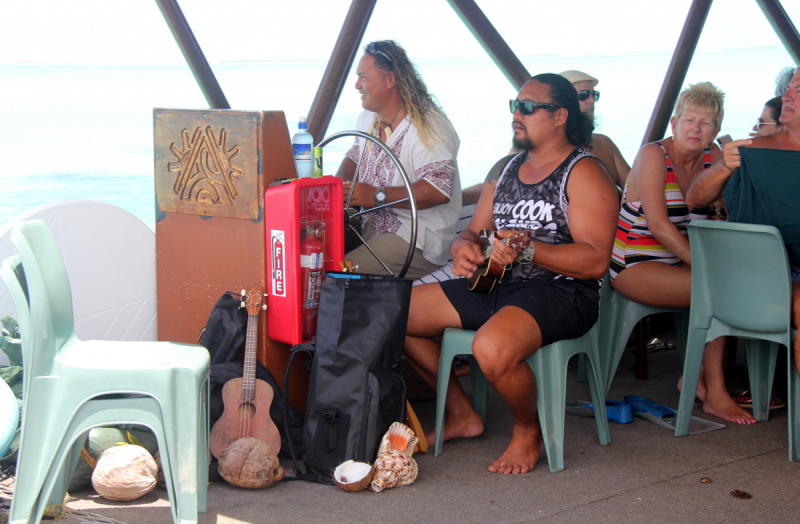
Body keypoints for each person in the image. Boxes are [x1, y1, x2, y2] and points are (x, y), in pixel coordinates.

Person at [403, 73, 618, 474]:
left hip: (562, 293)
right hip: (497, 282)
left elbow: (594, 262)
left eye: (528, 107)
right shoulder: (505, 168)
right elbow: (473, 231)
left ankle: (527, 429)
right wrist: (462, 247)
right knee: (396, 315)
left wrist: (532, 249)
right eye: (515, 105)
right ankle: (460, 414)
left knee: (491, 349)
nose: (517, 114)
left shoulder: (584, 171)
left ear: (559, 116)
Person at [610, 81, 756, 425]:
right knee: (719, 290)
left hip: (681, 264)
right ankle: (713, 391)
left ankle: (699, 381)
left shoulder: (714, 159)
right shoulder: (653, 155)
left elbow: (728, 213)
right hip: (636, 263)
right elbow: (660, 226)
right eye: (689, 120)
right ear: (674, 124)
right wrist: (707, 266)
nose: (696, 129)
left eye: (705, 123)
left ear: (716, 130)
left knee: (729, 285)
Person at [686, 67, 800, 381]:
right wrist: (723, 166)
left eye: (798, 91)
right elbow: (695, 198)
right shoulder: (754, 152)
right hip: (768, 275)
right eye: (788, 88)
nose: (786, 96)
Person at [336, 40, 461, 279]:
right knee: (309, 253)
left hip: (418, 238)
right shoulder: (367, 118)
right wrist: (337, 190)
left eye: (363, 77)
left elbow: (439, 190)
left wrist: (376, 195)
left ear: (390, 80)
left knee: (334, 272)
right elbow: (354, 157)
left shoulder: (428, 125)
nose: (356, 85)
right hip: (372, 227)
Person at [559, 70, 631, 191]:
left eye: (594, 94)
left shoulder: (604, 143)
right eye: (584, 95)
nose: (592, 99)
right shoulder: (542, 151)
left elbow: (635, 192)